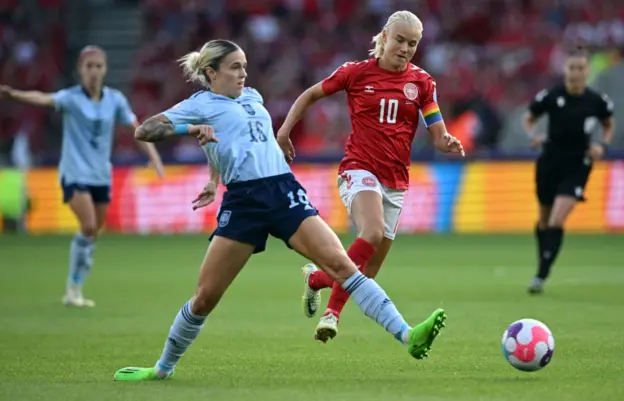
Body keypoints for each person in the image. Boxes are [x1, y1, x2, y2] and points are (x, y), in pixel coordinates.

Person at [113, 39, 447, 382]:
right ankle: (162, 368)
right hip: (243, 201)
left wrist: (214, 176)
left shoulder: (253, 97)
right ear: (212, 73)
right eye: (235, 67)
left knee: (342, 265)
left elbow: (236, 141)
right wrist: (191, 130)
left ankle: (408, 335)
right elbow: (146, 129)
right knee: (205, 298)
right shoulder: (200, 104)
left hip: (282, 190)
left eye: (245, 66)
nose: (244, 73)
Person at [276, 10, 464, 343]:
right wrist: (284, 132)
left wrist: (446, 141)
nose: (405, 48)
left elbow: (437, 133)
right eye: (400, 40)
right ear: (384, 37)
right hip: (358, 169)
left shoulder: (422, 83)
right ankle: (332, 315)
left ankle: (317, 280)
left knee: (368, 271)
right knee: (372, 232)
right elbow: (310, 95)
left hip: (396, 181)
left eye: (413, 44)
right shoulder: (355, 73)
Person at [0, 46, 165, 307]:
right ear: (80, 70)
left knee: (92, 233)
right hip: (74, 173)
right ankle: (72, 289)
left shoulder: (114, 100)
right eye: (89, 66)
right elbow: (43, 98)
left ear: (105, 70)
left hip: (100, 175)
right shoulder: (70, 98)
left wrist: (154, 156)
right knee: (89, 225)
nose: (93, 71)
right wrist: (13, 94)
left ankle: (76, 286)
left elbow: (136, 128)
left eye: (98, 66)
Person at [524, 45, 615, 294]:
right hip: (550, 162)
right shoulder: (552, 96)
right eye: (572, 67)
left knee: (557, 219)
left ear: (587, 71)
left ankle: (541, 275)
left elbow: (608, 123)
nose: (575, 72)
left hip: (578, 165)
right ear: (565, 69)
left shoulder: (596, 101)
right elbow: (529, 117)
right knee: (543, 219)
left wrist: (602, 145)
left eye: (580, 68)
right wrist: (534, 135)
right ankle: (543, 260)